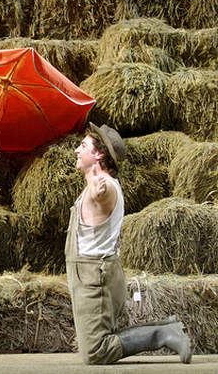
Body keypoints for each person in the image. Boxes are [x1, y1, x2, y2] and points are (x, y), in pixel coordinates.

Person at [66, 122, 191, 365]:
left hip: (94, 275)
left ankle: (163, 333)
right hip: (91, 274)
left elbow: (102, 197)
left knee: (96, 351)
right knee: (100, 342)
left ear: (99, 154)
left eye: (83, 146)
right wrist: (92, 191)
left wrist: (97, 194)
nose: (76, 151)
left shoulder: (105, 187)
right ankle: (167, 327)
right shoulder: (95, 184)